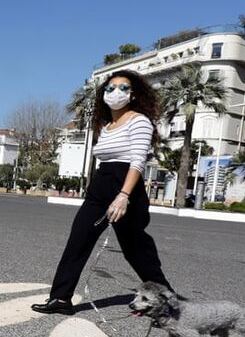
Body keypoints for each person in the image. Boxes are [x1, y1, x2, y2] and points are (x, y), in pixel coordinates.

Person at [32, 70, 174, 316]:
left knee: (136, 250)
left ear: (132, 95)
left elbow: (137, 162)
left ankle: (169, 301)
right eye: (110, 88)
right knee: (78, 240)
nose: (115, 92)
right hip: (101, 185)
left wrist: (123, 195)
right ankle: (61, 298)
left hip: (126, 185)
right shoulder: (107, 126)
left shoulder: (139, 120)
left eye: (123, 88)